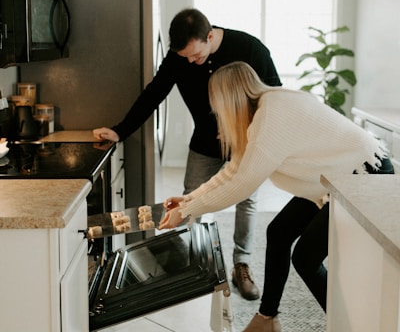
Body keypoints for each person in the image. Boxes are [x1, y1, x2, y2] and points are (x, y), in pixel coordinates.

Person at [158, 61, 394, 332]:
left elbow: (242, 184)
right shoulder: (263, 113)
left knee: (305, 258)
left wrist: (189, 210)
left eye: (216, 103)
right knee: (279, 232)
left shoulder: (271, 116)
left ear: (229, 99)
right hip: (334, 179)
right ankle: (267, 319)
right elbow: (233, 172)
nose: (215, 110)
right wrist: (189, 201)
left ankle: (347, 326)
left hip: (362, 173)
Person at [93, 8, 282, 300]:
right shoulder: (180, 57)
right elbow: (153, 94)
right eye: (186, 58)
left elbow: (274, 95)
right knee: (191, 197)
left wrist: (248, 128)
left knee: (247, 199)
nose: (192, 62)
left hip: (246, 141)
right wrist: (120, 130)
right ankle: (194, 261)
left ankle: (240, 265)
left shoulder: (249, 48)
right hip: (204, 142)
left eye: (196, 55)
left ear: (209, 36)